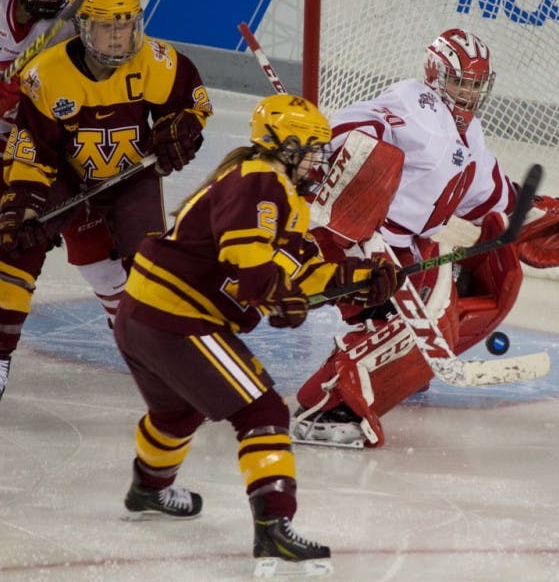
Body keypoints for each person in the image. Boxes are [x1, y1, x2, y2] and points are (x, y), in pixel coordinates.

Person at [114, 93, 402, 576]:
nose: (319, 160)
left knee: (177, 412)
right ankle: (273, 527)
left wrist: (360, 279)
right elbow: (247, 263)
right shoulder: (259, 179)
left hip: (144, 317)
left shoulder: (279, 196)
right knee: (263, 409)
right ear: (285, 147)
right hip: (177, 318)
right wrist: (275, 294)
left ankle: (149, 488)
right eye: (312, 149)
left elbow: (298, 269)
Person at [293, 28, 559, 448]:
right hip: (358, 243)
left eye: (477, 84)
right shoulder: (415, 104)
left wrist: (538, 208)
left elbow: (487, 194)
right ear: (436, 75)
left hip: (406, 249)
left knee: (471, 297)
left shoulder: (469, 133)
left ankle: (397, 368)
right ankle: (328, 407)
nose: (469, 93)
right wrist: (327, 153)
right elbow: (356, 125)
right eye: (461, 81)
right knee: (425, 316)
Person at [0, 0, 212, 417]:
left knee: (150, 267)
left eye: (126, 24)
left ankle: (158, 363)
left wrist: (182, 129)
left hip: (128, 176)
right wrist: (23, 203)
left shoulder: (159, 62)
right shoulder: (49, 74)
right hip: (64, 173)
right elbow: (32, 149)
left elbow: (194, 105)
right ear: (85, 27)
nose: (119, 36)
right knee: (17, 250)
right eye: (108, 25)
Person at [0, 0, 129, 418]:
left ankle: (147, 349)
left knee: (104, 259)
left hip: (58, 155)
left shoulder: (76, 20)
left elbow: (107, 75)